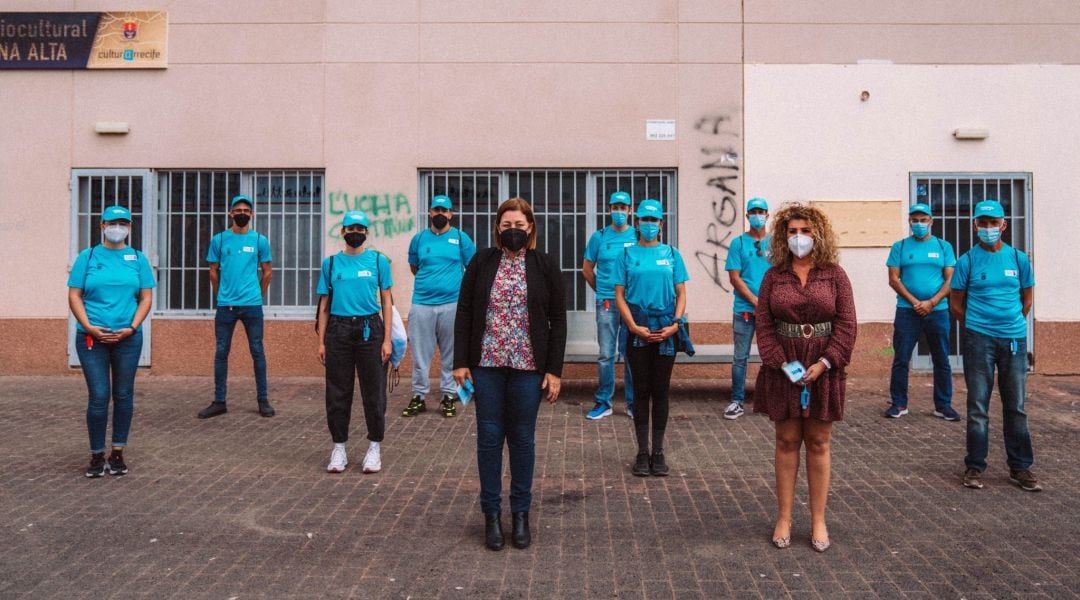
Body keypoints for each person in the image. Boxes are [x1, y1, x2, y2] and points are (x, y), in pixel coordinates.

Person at [453, 198, 566, 551]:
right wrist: (460, 362)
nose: (512, 231)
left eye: (519, 225)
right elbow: (465, 311)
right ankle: (491, 516)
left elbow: (558, 320)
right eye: (506, 226)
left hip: (528, 368)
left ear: (530, 228)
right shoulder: (482, 261)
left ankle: (520, 514)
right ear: (497, 228)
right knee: (488, 439)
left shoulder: (544, 265)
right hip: (486, 365)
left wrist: (554, 370)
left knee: (522, 440)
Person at [753, 203, 856, 552]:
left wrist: (826, 362)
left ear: (818, 234)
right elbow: (764, 325)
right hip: (784, 367)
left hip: (823, 367)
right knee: (786, 440)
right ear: (784, 236)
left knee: (818, 442)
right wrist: (783, 363)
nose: (799, 237)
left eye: (806, 231)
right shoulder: (773, 276)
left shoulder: (835, 275)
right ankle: (784, 517)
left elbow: (847, 324)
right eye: (793, 231)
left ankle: (818, 520)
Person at [950, 200, 1040, 492]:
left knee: (1016, 405)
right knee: (977, 405)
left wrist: (1011, 322)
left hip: (1013, 339)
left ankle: (1021, 467)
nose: (988, 228)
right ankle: (975, 465)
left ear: (1004, 225)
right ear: (975, 225)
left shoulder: (1018, 258)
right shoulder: (968, 261)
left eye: (993, 223)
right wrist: (978, 324)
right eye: (983, 223)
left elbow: (1027, 297)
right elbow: (955, 303)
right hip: (979, 340)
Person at [68, 205, 156, 477]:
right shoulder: (88, 256)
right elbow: (74, 296)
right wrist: (88, 327)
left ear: (130, 227)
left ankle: (117, 452)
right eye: (112, 222)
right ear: (102, 226)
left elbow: (146, 298)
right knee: (99, 396)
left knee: (123, 394)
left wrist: (132, 327)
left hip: (128, 339)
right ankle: (96, 455)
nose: (117, 227)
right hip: (92, 339)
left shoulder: (137, 258)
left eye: (123, 222)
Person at [613, 198, 689, 478]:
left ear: (661, 223)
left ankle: (658, 451)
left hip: (665, 329)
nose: (649, 224)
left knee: (661, 391)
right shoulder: (627, 254)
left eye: (653, 220)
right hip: (638, 330)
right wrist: (632, 326)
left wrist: (676, 324)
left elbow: (681, 293)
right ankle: (641, 452)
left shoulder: (672, 253)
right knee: (640, 391)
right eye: (644, 219)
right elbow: (619, 294)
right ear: (637, 223)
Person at [316, 211, 393, 475]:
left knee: (374, 392)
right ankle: (339, 448)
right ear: (342, 231)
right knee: (338, 392)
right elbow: (324, 305)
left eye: (360, 228)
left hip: (370, 330)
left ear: (367, 232)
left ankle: (374, 447)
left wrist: (387, 340)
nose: (355, 232)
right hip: (338, 330)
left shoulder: (379, 261)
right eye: (350, 227)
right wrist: (321, 342)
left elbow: (387, 301)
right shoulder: (331, 263)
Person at [198, 195, 275, 419]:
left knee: (257, 351)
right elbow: (213, 271)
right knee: (222, 352)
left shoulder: (259, 240)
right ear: (230, 213)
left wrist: (257, 295)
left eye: (246, 210)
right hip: (226, 306)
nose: (242, 213)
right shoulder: (219, 240)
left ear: (251, 215)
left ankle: (263, 400)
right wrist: (220, 294)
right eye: (238, 210)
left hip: (252, 306)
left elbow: (268, 272)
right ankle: (219, 401)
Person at [402, 194, 476, 418]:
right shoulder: (419, 239)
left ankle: (448, 396)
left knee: (451, 354)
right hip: (422, 304)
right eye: (437, 210)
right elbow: (415, 267)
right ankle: (419, 396)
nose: (441, 214)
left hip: (452, 304)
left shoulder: (461, 239)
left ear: (451, 214)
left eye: (445, 211)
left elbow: (471, 268)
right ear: (430, 212)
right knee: (420, 354)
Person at [884, 203, 957, 420]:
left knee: (942, 359)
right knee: (901, 358)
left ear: (931, 221)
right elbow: (893, 279)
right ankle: (899, 404)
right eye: (914, 220)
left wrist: (932, 302)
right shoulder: (900, 247)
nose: (919, 224)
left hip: (939, 311)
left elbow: (951, 280)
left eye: (923, 220)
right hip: (907, 311)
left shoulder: (944, 247)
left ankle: (943, 405)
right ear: (909, 222)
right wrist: (916, 302)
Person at [582, 190, 637, 420]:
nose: (619, 212)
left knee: (632, 354)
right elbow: (587, 269)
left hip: (632, 304)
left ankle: (634, 404)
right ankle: (604, 402)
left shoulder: (637, 235)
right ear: (609, 209)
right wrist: (604, 292)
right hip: (606, 302)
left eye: (623, 207)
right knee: (606, 354)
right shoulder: (599, 237)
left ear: (630, 210)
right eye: (615, 207)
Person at [723, 197, 771, 420]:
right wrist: (754, 301)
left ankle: (769, 399)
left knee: (770, 356)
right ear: (747, 216)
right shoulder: (738, 244)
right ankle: (737, 401)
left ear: (767, 215)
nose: (757, 215)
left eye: (761, 211)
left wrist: (769, 304)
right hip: (743, 310)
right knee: (740, 357)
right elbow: (734, 277)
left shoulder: (777, 243)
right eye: (753, 211)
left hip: (771, 312)